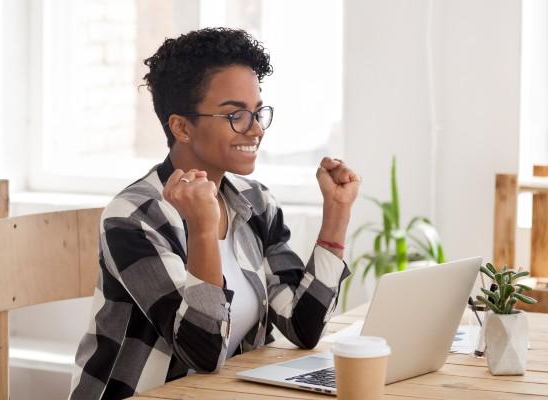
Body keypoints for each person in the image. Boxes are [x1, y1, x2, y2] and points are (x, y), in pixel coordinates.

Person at [69, 27, 360, 400]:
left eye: (257, 112)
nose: (255, 128)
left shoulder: (256, 202)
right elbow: (201, 350)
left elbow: (303, 327)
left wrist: (336, 214)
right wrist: (203, 230)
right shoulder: (133, 218)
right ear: (182, 127)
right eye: (235, 115)